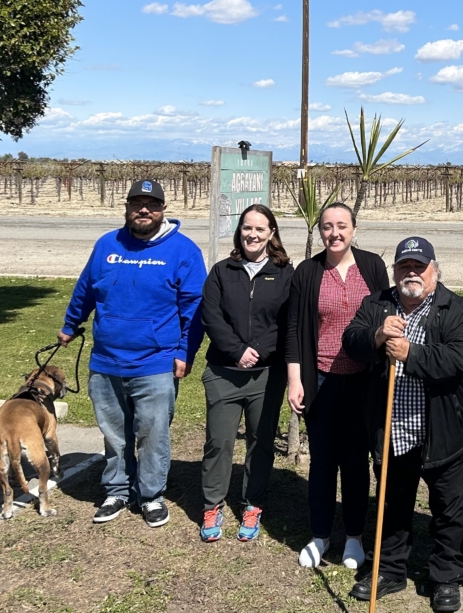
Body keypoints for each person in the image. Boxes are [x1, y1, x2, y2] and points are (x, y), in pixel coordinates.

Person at [342, 237, 463, 613]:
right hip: (391, 428)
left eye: (420, 267)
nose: (412, 273)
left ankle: (446, 575)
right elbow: (351, 341)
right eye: (405, 267)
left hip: (443, 431)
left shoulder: (457, 310)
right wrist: (376, 335)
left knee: (450, 508)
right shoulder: (377, 305)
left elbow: (457, 359)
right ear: (395, 271)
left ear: (435, 271)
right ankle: (389, 569)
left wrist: (411, 353)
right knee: (391, 502)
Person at [59, 179, 205, 528]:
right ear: (126, 207)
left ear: (163, 210)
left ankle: (151, 495)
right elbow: (86, 289)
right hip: (107, 360)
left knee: (153, 433)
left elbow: (195, 309)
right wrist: (69, 324)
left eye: (151, 204)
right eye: (136, 203)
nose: (144, 210)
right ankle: (117, 490)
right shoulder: (107, 245)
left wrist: (185, 351)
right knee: (114, 433)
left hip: (155, 361)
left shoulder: (184, 251)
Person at [286, 202, 389, 569]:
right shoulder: (308, 272)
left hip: (365, 380)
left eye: (341, 225)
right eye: (327, 226)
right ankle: (319, 535)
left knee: (356, 460)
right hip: (322, 378)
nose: (334, 233)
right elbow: (295, 330)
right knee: (323, 461)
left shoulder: (373, 267)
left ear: (354, 229)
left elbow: (385, 317)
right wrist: (295, 380)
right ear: (320, 231)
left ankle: (354, 536)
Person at [198, 204, 293, 542]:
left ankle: (252, 503)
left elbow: (286, 323)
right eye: (247, 228)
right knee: (218, 442)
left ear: (272, 234)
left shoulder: (285, 273)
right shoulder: (222, 271)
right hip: (224, 372)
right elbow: (211, 315)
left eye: (260, 229)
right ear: (239, 231)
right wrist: (237, 350)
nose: (252, 234)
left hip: (266, 376)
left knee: (260, 442)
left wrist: (259, 351)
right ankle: (212, 504)